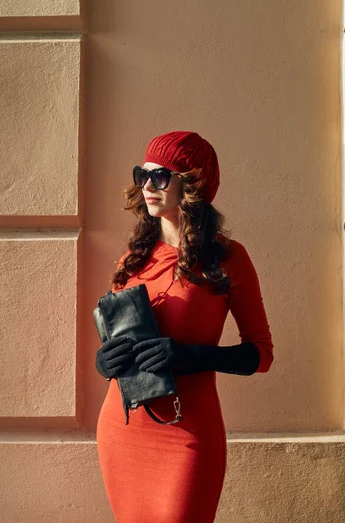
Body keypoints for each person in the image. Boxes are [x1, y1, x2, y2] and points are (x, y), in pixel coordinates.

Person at [95, 130, 274, 523]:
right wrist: (105, 363)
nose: (146, 186)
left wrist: (189, 356)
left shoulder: (228, 258)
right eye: (143, 174)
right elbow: (118, 343)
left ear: (191, 184)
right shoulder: (133, 260)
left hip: (188, 433)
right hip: (122, 431)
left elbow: (260, 355)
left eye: (160, 177)